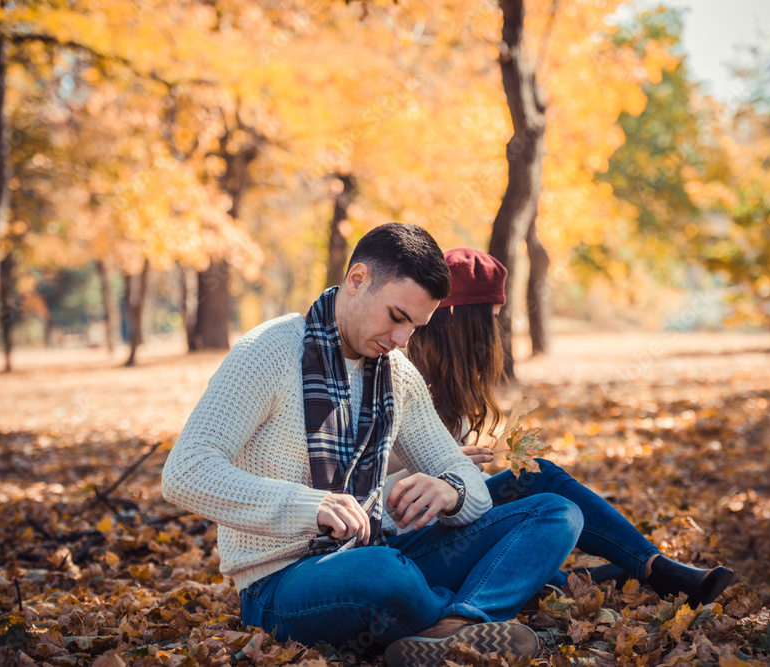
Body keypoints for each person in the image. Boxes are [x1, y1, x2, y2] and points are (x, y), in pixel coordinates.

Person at [161, 224, 583, 666]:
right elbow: (186, 471)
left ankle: (454, 627)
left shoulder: (396, 373)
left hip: (374, 551)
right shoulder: (268, 350)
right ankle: (476, 606)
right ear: (358, 280)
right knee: (382, 573)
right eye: (397, 317)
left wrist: (451, 490)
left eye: (416, 327)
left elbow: (463, 478)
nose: (403, 341)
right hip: (280, 582)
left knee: (555, 511)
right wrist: (313, 506)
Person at [406, 248, 735, 605]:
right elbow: (374, 473)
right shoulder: (402, 380)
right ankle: (645, 569)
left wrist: (463, 476)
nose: (496, 336)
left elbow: (468, 493)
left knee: (533, 488)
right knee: (540, 480)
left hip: (448, 521)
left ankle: (636, 569)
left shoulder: (452, 391)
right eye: (490, 320)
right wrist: (443, 463)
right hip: (409, 538)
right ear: (461, 321)